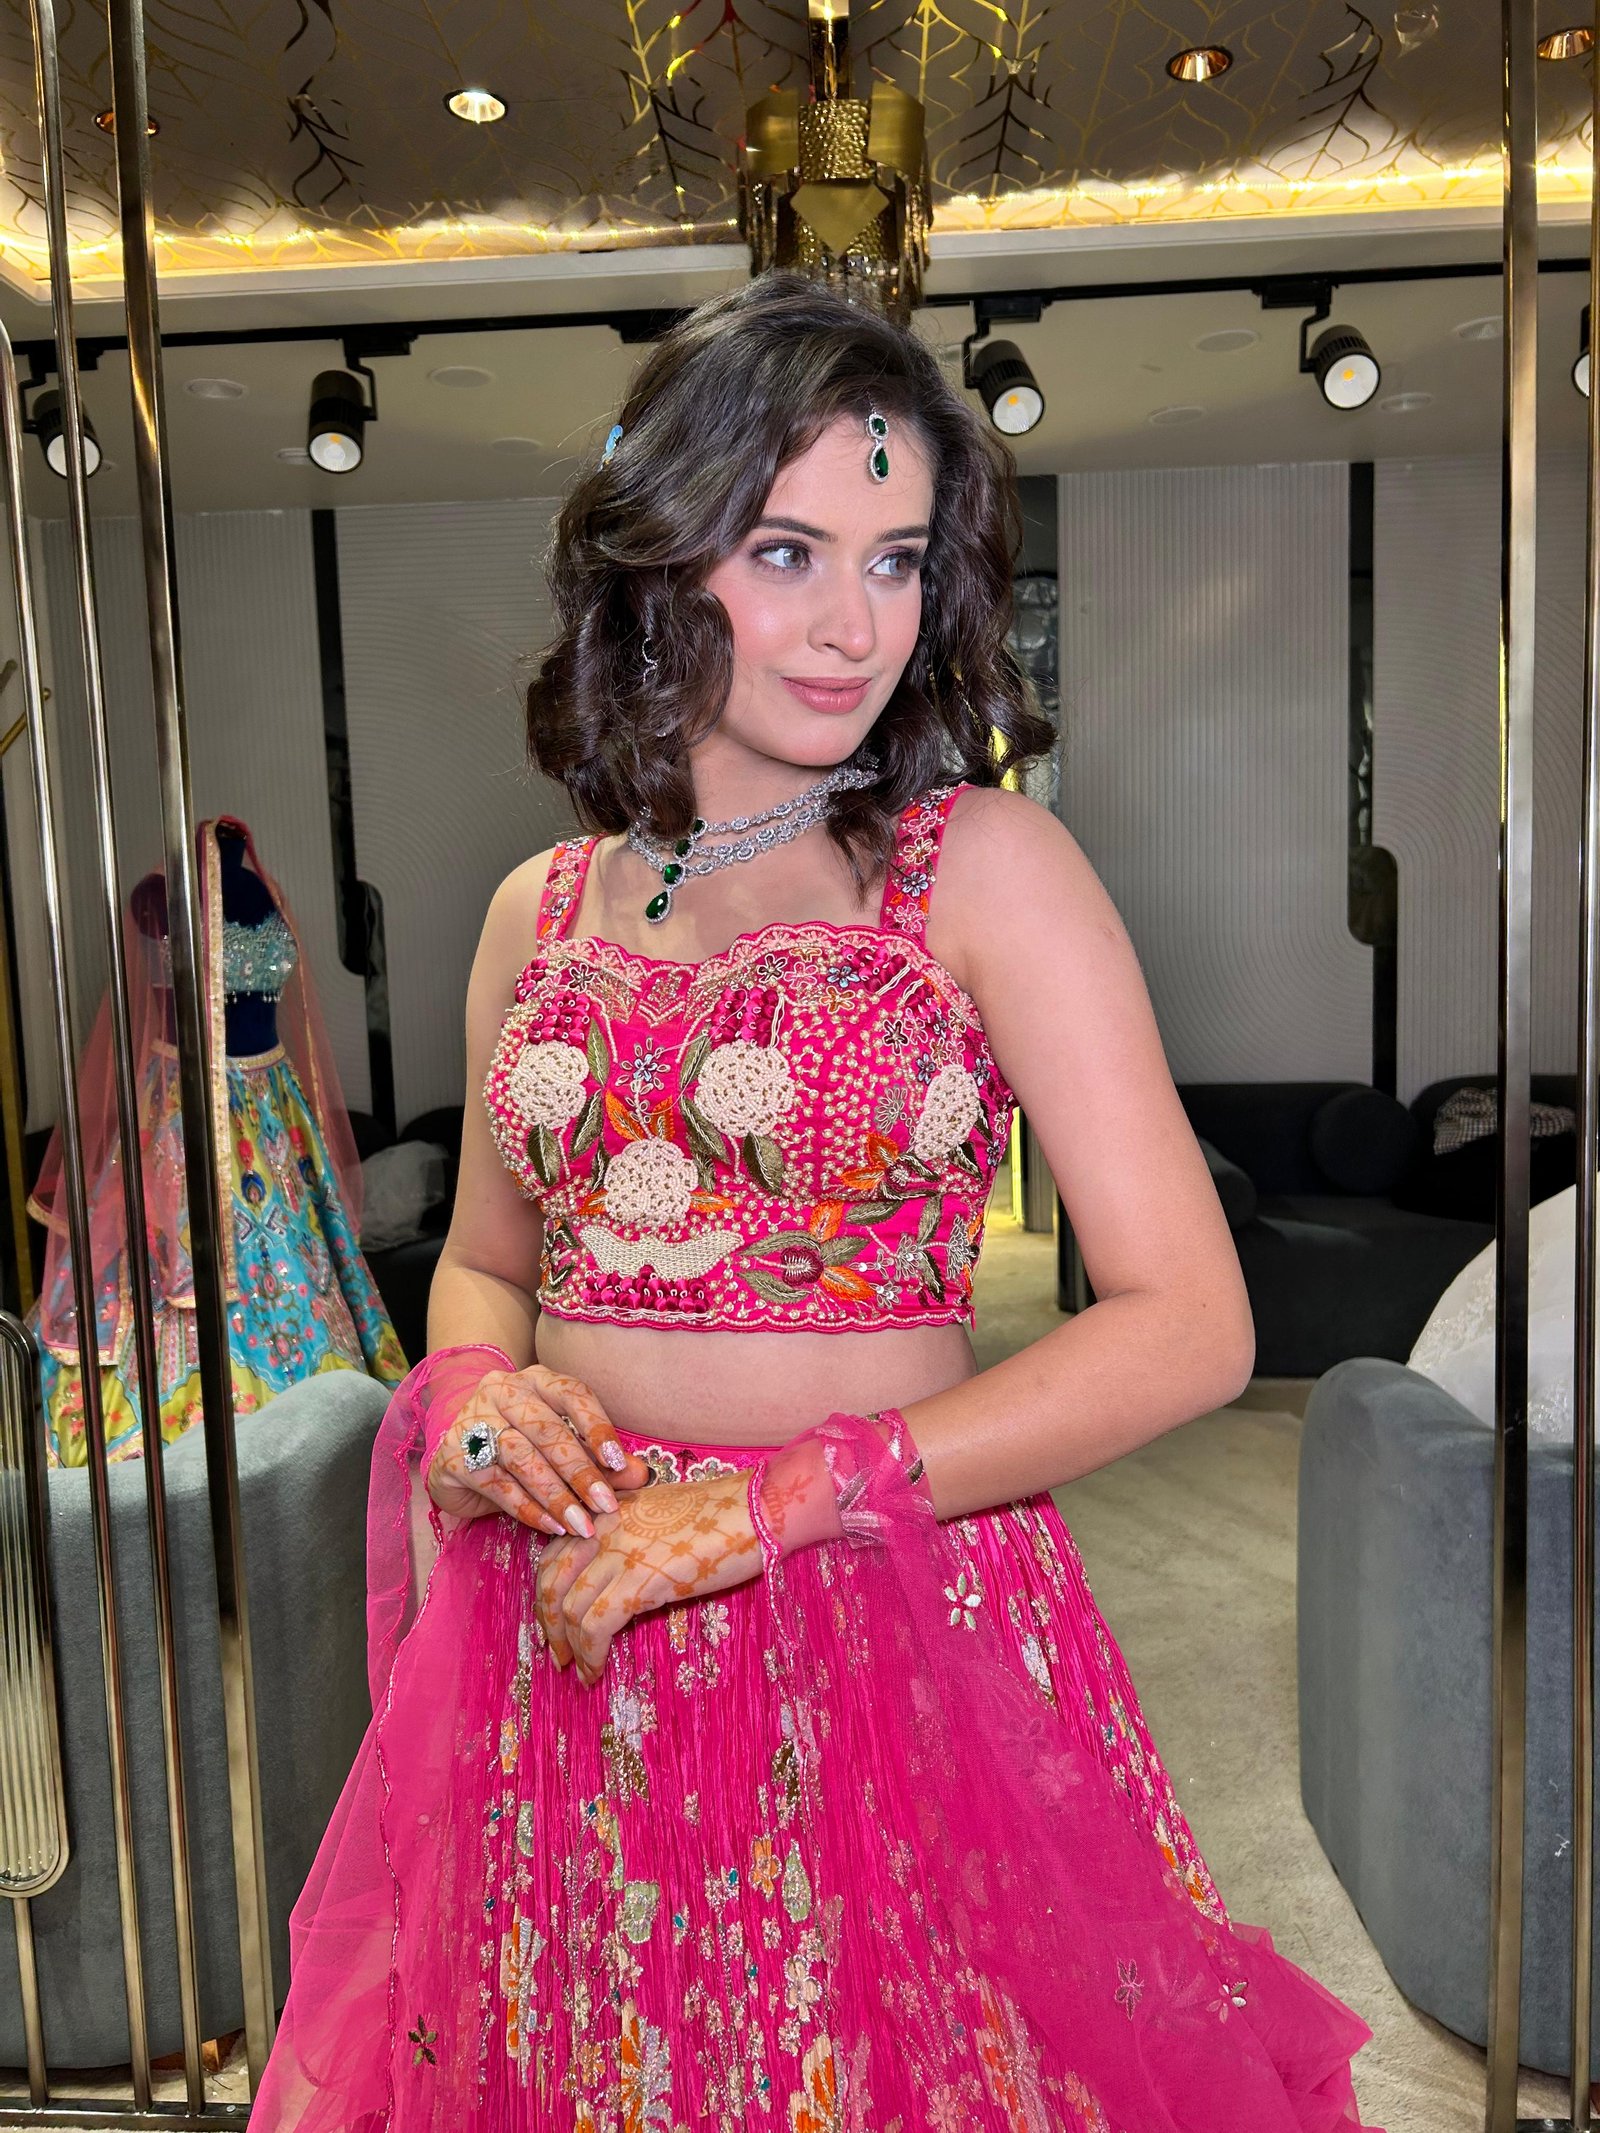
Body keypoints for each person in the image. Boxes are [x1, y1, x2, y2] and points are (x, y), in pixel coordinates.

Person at [253, 274, 1381, 2131]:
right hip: (572, 1613)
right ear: (661, 554)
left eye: (897, 559)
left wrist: (777, 1502)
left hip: (877, 1603)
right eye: (787, 552)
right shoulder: (539, 910)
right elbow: (483, 1264)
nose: (856, 622)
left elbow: (1192, 1322)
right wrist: (471, 1401)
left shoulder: (983, 868)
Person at [28, 815, 406, 1463]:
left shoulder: (266, 892)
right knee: (176, 1258)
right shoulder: (156, 895)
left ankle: (316, 1436)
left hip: (273, 1099)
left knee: (302, 1258)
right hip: (187, 1105)